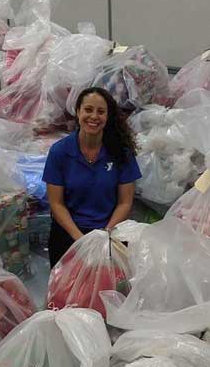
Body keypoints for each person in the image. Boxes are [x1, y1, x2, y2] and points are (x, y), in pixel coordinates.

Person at [42, 87, 141, 266]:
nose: (94, 116)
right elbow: (56, 204)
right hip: (69, 232)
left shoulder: (121, 153)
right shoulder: (60, 152)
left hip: (110, 232)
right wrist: (80, 239)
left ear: (108, 117)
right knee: (66, 290)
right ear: (78, 111)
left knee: (107, 288)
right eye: (88, 109)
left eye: (101, 111)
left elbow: (125, 202)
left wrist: (105, 234)